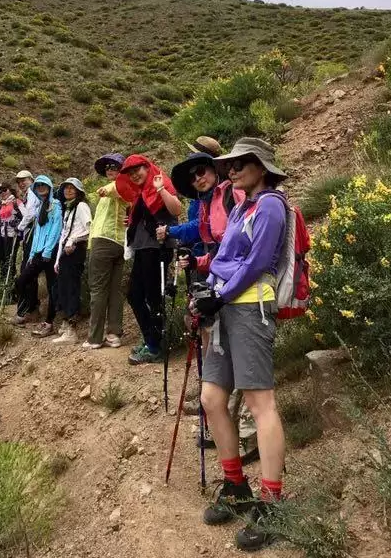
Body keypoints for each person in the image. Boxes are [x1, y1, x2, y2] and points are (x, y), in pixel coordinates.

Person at [189, 138, 289, 552]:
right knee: (212, 398)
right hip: (226, 308)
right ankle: (236, 486)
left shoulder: (269, 205)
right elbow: (225, 260)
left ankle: (272, 500)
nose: (233, 170)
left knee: (259, 402)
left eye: (242, 163)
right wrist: (207, 292)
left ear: (262, 167)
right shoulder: (241, 207)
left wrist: (222, 294)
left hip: (250, 309)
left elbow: (258, 261)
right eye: (229, 164)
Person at [161, 154, 258, 464]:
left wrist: (204, 261)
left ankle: (247, 428)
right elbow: (219, 247)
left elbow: (240, 244)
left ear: (213, 170)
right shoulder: (206, 202)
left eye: (200, 172)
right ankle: (223, 419)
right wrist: (200, 262)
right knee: (214, 346)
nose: (197, 178)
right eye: (191, 177)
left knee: (243, 356)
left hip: (242, 288)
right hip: (219, 284)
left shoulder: (232, 194)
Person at [116, 155, 181, 365]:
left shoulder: (159, 184)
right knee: (134, 295)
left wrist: (161, 190)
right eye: (130, 172)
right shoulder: (139, 194)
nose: (134, 175)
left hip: (158, 248)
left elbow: (176, 209)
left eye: (138, 169)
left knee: (153, 298)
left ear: (147, 167)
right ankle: (151, 339)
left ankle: (154, 346)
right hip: (143, 248)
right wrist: (133, 219)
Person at [83, 153, 127, 350]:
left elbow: (115, 187)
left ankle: (95, 337)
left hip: (103, 241)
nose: (110, 169)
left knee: (98, 289)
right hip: (119, 243)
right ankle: (114, 334)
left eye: (114, 166)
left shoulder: (118, 186)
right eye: (108, 167)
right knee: (114, 290)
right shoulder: (126, 188)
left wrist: (104, 189)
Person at [12, 175, 62, 329]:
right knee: (21, 281)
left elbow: (56, 230)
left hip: (50, 253)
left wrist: (47, 251)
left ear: (49, 187)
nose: (41, 188)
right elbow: (38, 233)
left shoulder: (56, 205)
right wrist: (33, 254)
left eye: (43, 185)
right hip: (39, 252)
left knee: (51, 286)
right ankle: (32, 309)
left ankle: (50, 321)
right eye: (38, 186)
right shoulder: (40, 207)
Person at [50, 178, 92, 345]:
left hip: (75, 251)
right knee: (61, 288)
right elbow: (63, 235)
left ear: (78, 191)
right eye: (66, 188)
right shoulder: (68, 209)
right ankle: (66, 323)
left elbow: (90, 229)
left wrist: (74, 241)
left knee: (71, 288)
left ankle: (71, 330)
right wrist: (58, 258)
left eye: (72, 188)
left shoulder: (81, 206)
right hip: (66, 253)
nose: (68, 190)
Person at [15, 170, 40, 293]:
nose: (21, 184)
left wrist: (19, 227)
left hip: (33, 232)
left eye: (24, 180)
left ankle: (30, 302)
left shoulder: (32, 193)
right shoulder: (28, 194)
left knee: (28, 266)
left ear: (31, 180)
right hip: (30, 232)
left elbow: (30, 214)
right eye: (19, 182)